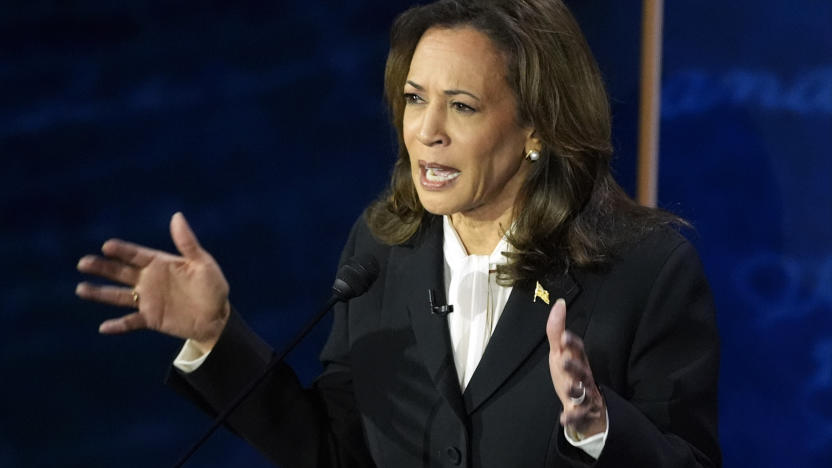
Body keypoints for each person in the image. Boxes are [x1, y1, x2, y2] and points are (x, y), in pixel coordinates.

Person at [76, 0, 720, 466]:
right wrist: (215, 336)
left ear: (537, 130)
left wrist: (600, 429)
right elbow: (336, 450)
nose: (426, 131)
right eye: (415, 99)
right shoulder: (383, 248)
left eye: (461, 106)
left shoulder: (646, 270)